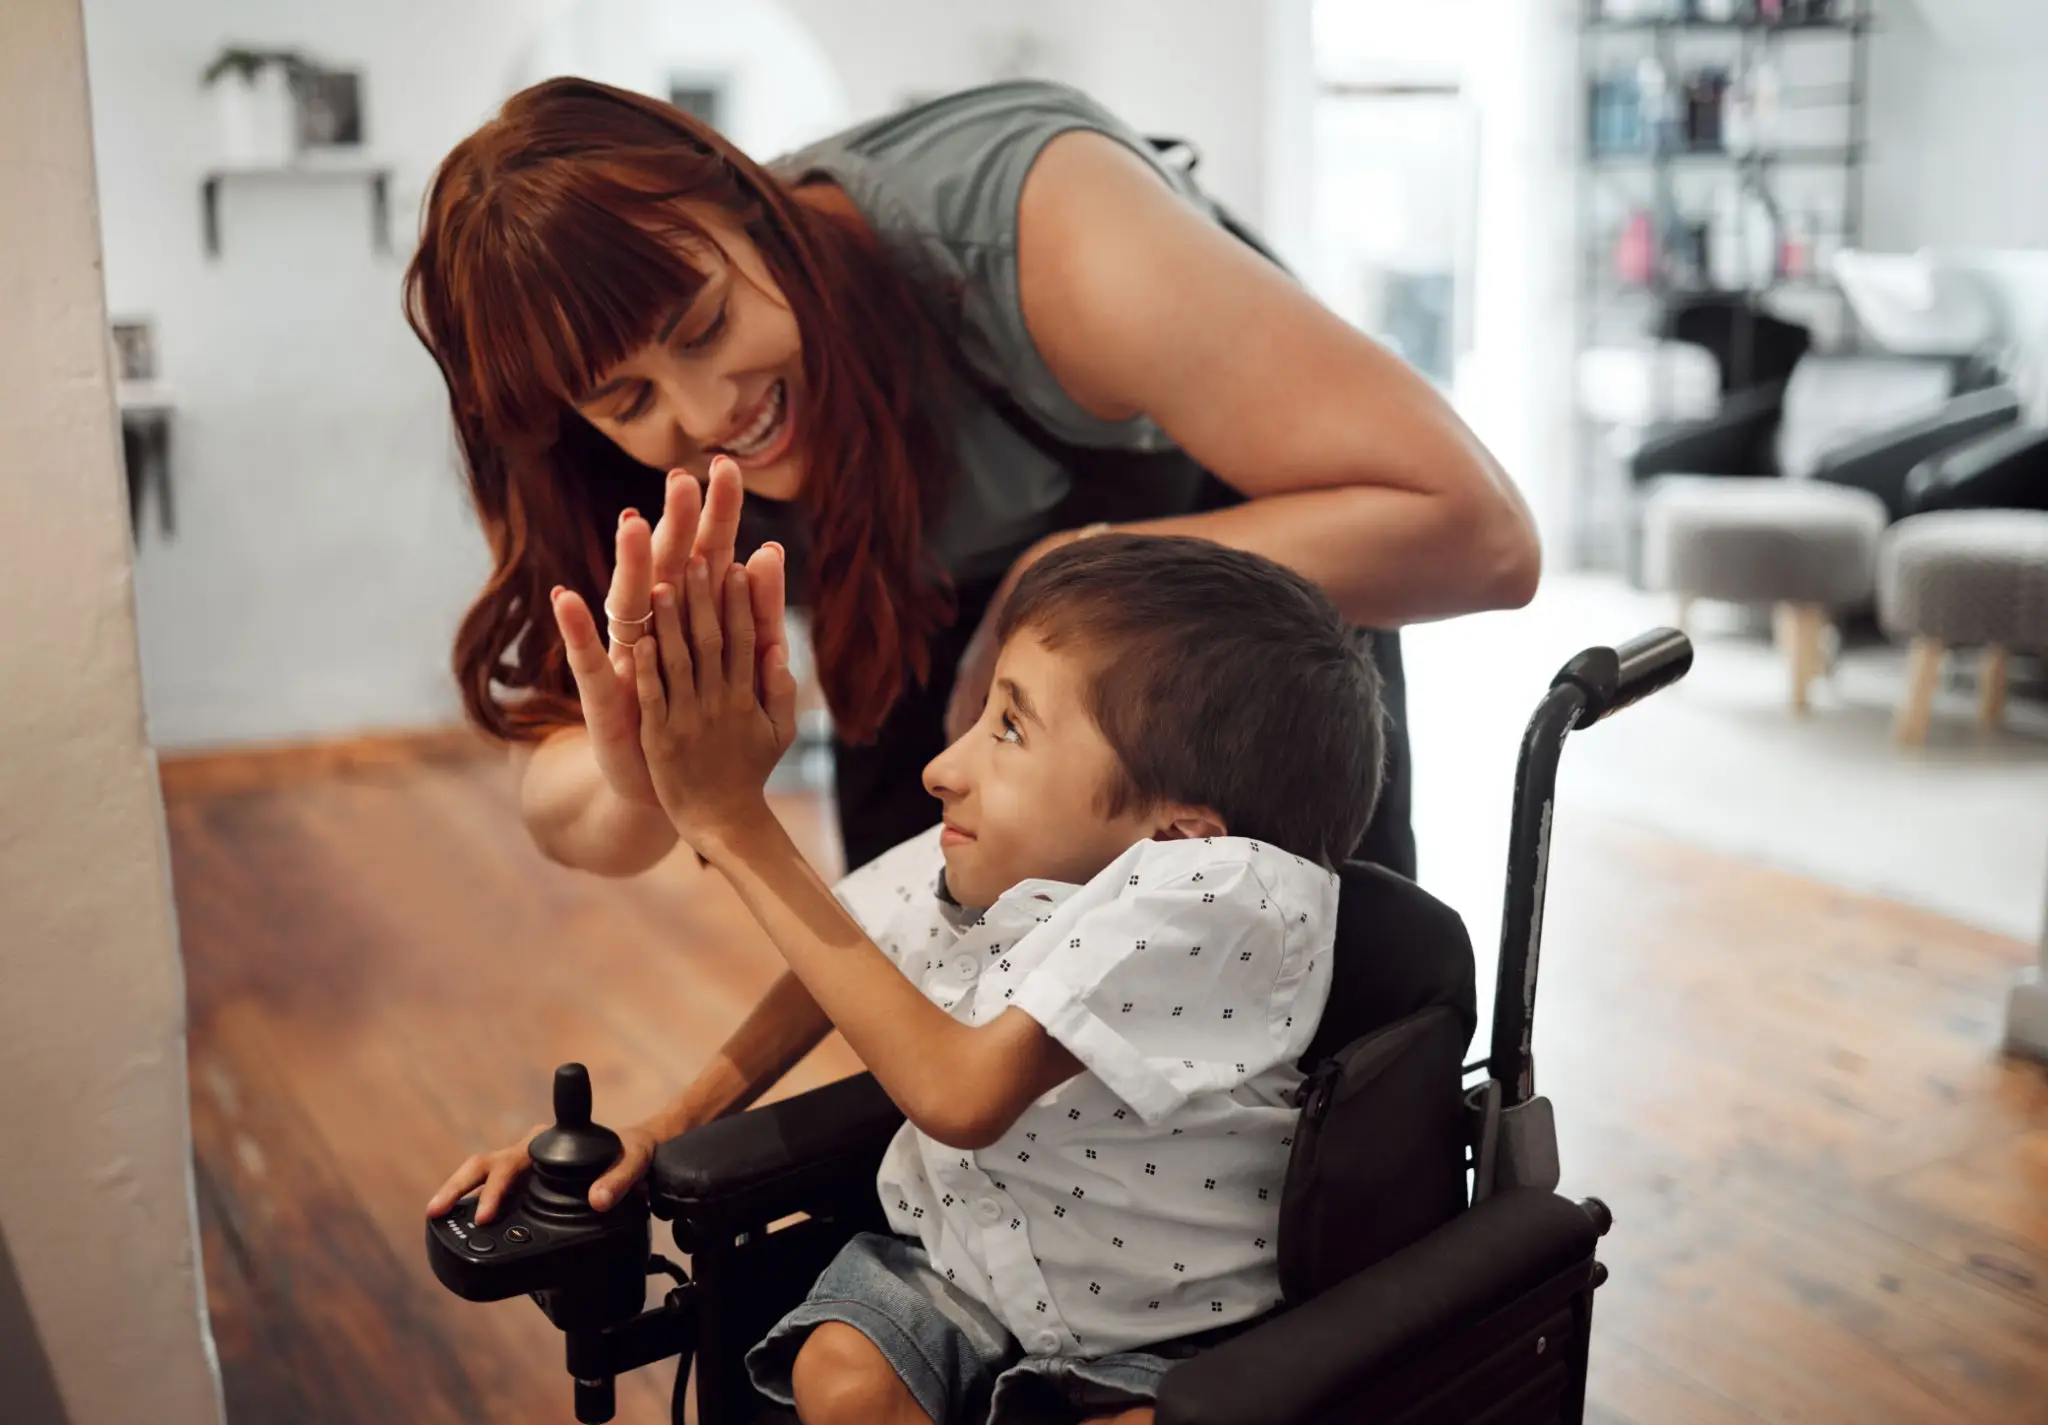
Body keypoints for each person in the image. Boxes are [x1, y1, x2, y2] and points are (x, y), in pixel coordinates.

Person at [402, 75, 1538, 890]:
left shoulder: (1043, 233)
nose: (705, 420)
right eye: (627, 400)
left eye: (705, 326)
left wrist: (1065, 577)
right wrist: (639, 765)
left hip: (1233, 575)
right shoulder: (603, 460)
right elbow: (571, 820)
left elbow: (1480, 536)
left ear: (755, 202)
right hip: (920, 607)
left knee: (1306, 1045)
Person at [436, 527, 1385, 1425]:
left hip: (1176, 1330)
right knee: (839, 1375)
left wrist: (734, 821)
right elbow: (841, 948)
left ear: (1178, 831)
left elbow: (961, 1094)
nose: (941, 768)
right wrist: (666, 1124)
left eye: (1009, 729)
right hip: (964, 1269)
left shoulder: (1232, 892)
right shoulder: (1003, 858)